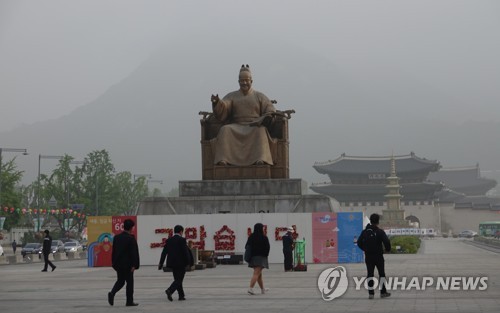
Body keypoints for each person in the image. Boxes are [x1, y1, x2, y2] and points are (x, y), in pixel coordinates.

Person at [210, 64, 277, 166]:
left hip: (254, 125)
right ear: (238, 82)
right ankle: (224, 159)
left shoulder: (259, 96)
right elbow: (224, 106)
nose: (244, 83)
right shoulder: (232, 96)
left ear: (251, 81)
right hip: (237, 125)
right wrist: (217, 102)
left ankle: (260, 159)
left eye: (246, 80)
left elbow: (269, 107)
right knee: (225, 130)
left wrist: (268, 114)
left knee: (261, 131)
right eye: (242, 81)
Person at [357, 213, 391, 299]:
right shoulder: (380, 231)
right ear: (378, 221)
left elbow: (359, 242)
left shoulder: (365, 231)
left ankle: (371, 293)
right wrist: (387, 250)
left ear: (371, 221)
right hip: (379, 256)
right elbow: (386, 242)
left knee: (370, 274)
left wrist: (365, 249)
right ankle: (383, 292)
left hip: (369, 256)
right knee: (382, 274)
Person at [108, 219, 140, 307]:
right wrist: (134, 265)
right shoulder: (131, 239)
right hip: (128, 265)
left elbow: (114, 251)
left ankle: (112, 293)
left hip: (119, 264)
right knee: (129, 283)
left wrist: (114, 263)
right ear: (131, 228)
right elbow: (134, 253)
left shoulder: (117, 238)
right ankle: (129, 301)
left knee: (120, 281)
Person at [158, 225, 194, 302]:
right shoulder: (182, 240)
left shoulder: (169, 240)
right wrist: (188, 262)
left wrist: (161, 263)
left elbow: (164, 252)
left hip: (172, 263)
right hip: (181, 263)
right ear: (181, 231)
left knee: (177, 279)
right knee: (179, 280)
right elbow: (185, 252)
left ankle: (181, 296)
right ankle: (170, 290)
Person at [246, 223, 271, 295]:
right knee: (256, 273)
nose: (263, 229)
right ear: (260, 228)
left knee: (259, 275)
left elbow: (247, 246)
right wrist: (265, 255)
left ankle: (262, 289)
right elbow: (267, 248)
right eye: (263, 228)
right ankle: (250, 288)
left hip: (253, 257)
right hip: (261, 257)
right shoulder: (264, 237)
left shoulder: (251, 236)